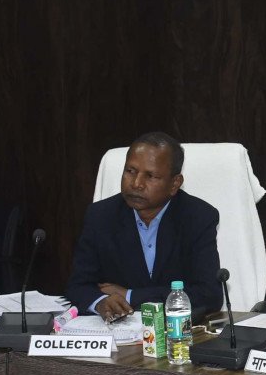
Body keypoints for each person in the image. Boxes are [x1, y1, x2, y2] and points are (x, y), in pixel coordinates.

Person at [66, 132, 221, 318]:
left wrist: (131, 296)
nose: (136, 184)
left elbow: (209, 295)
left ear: (175, 184)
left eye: (150, 176)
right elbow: (78, 286)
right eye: (130, 171)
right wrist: (100, 303)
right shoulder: (101, 216)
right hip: (119, 330)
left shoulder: (198, 218)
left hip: (177, 330)